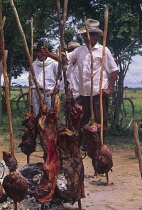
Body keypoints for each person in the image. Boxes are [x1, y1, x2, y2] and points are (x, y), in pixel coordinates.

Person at [40, 19, 119, 137]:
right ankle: (80, 146)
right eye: (84, 35)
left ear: (95, 35)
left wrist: (108, 89)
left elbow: (114, 70)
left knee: (100, 122)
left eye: (88, 34)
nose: (85, 37)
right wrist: (49, 54)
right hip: (84, 93)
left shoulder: (103, 51)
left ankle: (99, 147)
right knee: (81, 121)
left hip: (99, 92)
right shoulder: (79, 50)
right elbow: (65, 59)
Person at [31, 40, 59, 116]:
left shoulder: (53, 63)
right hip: (36, 92)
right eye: (38, 52)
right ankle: (37, 127)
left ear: (46, 52)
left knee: (49, 115)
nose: (39, 54)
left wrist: (55, 91)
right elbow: (30, 79)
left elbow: (59, 78)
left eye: (41, 52)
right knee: (37, 114)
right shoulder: (34, 64)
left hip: (49, 92)